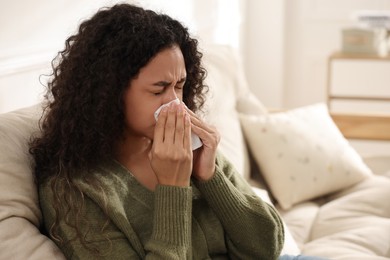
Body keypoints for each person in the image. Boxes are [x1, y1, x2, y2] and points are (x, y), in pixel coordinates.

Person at [29, 3, 322, 260]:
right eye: (159, 90)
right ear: (109, 93)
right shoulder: (74, 189)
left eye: (179, 86)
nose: (176, 104)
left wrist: (212, 177)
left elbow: (268, 248)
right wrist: (174, 187)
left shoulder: (192, 147)